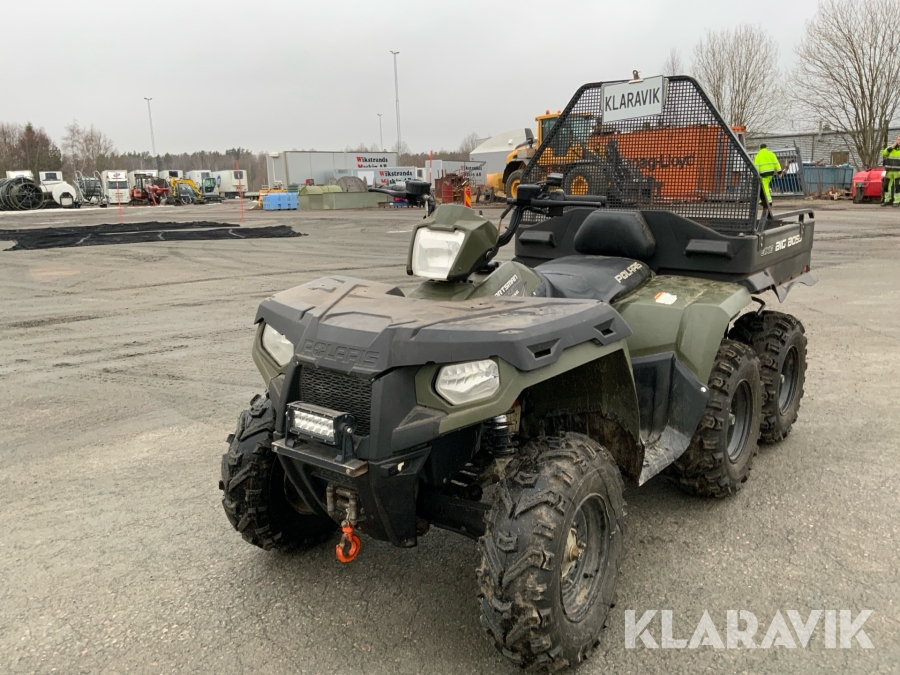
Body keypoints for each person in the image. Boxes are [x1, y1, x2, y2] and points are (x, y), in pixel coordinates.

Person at [880, 135, 900, 207]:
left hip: (898, 172)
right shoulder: (891, 148)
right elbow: (884, 153)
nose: (899, 141)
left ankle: (896, 201)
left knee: (897, 187)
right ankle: (887, 200)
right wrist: (892, 147)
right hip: (889, 171)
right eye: (898, 140)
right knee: (886, 186)